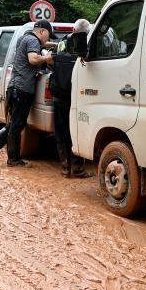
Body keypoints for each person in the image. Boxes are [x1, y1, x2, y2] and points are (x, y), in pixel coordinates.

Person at [0, 20, 54, 168]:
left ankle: (12, 158)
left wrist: (57, 45)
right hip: (22, 89)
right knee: (16, 124)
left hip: (14, 87)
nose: (48, 38)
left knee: (15, 123)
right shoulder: (33, 41)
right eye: (48, 35)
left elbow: (42, 46)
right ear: (42, 31)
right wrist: (47, 58)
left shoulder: (24, 38)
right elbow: (33, 59)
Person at [50, 19, 93, 178]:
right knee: (76, 131)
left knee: (60, 132)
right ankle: (78, 168)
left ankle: (65, 168)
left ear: (73, 29)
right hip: (77, 97)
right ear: (87, 32)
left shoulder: (62, 43)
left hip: (58, 94)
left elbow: (52, 61)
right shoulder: (88, 45)